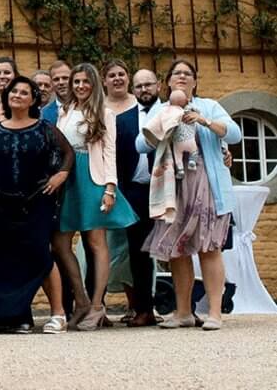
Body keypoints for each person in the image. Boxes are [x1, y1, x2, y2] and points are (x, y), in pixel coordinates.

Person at [142, 58, 242, 330]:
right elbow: (141, 144)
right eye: (177, 74)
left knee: (210, 248)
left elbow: (234, 135)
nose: (182, 77)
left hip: (207, 186)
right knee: (177, 250)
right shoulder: (161, 110)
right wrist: (165, 122)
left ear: (195, 81)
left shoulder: (209, 105)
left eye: (188, 74)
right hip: (172, 189)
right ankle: (183, 312)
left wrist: (204, 120)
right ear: (168, 82)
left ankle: (214, 313)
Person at [0, 74, 75, 333]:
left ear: (33, 99)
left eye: (23, 92)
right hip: (0, 203)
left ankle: (58, 314)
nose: (17, 96)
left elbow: (68, 153)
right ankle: (13, 317)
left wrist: (60, 175)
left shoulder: (44, 128)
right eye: (13, 92)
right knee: (4, 260)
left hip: (36, 202)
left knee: (40, 255)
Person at [53, 59, 137, 329]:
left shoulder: (104, 112)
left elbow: (109, 152)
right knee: (61, 243)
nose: (80, 86)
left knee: (96, 242)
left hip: (92, 177)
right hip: (67, 177)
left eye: (85, 81)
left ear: (94, 84)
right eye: (76, 81)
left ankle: (98, 305)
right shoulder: (65, 111)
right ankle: (82, 299)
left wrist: (110, 188)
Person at [121, 66, 163, 325]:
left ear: (158, 85)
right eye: (139, 86)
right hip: (135, 191)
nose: (144, 89)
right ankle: (144, 309)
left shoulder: (171, 111)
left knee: (179, 249)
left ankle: (186, 308)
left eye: (148, 84)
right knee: (139, 252)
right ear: (132, 89)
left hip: (168, 188)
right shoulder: (122, 119)